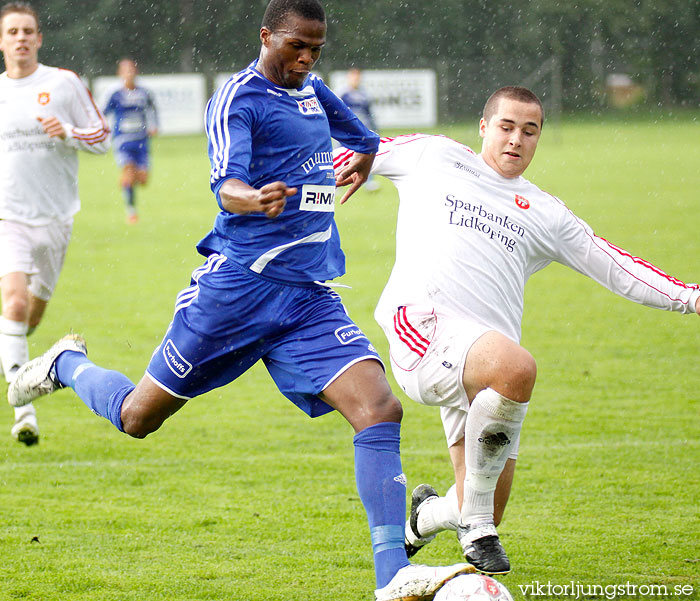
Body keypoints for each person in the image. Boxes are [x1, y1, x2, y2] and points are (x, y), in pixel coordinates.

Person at [7, 1, 470, 599]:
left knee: (378, 409)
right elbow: (226, 186)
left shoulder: (314, 91)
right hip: (237, 291)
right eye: (296, 46)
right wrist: (254, 200)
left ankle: (392, 577)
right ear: (266, 36)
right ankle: (65, 364)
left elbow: (362, 136)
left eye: (316, 50)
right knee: (136, 418)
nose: (305, 59)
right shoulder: (236, 99)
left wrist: (362, 155)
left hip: (307, 298)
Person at [333, 86, 700, 574]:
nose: (516, 140)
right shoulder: (435, 155)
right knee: (517, 368)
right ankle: (479, 530)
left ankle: (426, 519)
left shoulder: (546, 212)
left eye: (530, 131)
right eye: (506, 127)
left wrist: (692, 298)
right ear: (484, 127)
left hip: (481, 365)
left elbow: (617, 267)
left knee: (473, 497)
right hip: (423, 328)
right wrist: (300, 176)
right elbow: (360, 149)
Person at [0, 1, 109, 445]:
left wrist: (66, 130)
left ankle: (11, 352)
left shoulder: (63, 83)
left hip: (56, 219)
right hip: (9, 215)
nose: (21, 38)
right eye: (13, 32)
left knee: (29, 318)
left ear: (39, 39)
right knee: (15, 304)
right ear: (2, 41)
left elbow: (102, 138)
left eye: (28, 31)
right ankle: (23, 410)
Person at [103, 58, 158, 224]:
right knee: (128, 171)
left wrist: (154, 126)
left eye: (131, 70)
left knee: (142, 180)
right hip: (122, 140)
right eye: (125, 70)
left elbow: (153, 110)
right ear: (119, 74)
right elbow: (103, 113)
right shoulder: (115, 94)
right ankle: (131, 211)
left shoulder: (144, 93)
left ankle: (127, 181)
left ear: (136, 72)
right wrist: (101, 128)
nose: (129, 73)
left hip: (142, 141)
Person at [340, 67, 379, 191]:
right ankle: (336, 182)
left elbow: (369, 113)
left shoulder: (365, 94)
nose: (355, 80)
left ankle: (368, 182)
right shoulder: (343, 93)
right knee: (340, 155)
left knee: (366, 154)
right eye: (353, 77)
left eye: (357, 77)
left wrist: (374, 129)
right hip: (346, 131)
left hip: (362, 131)